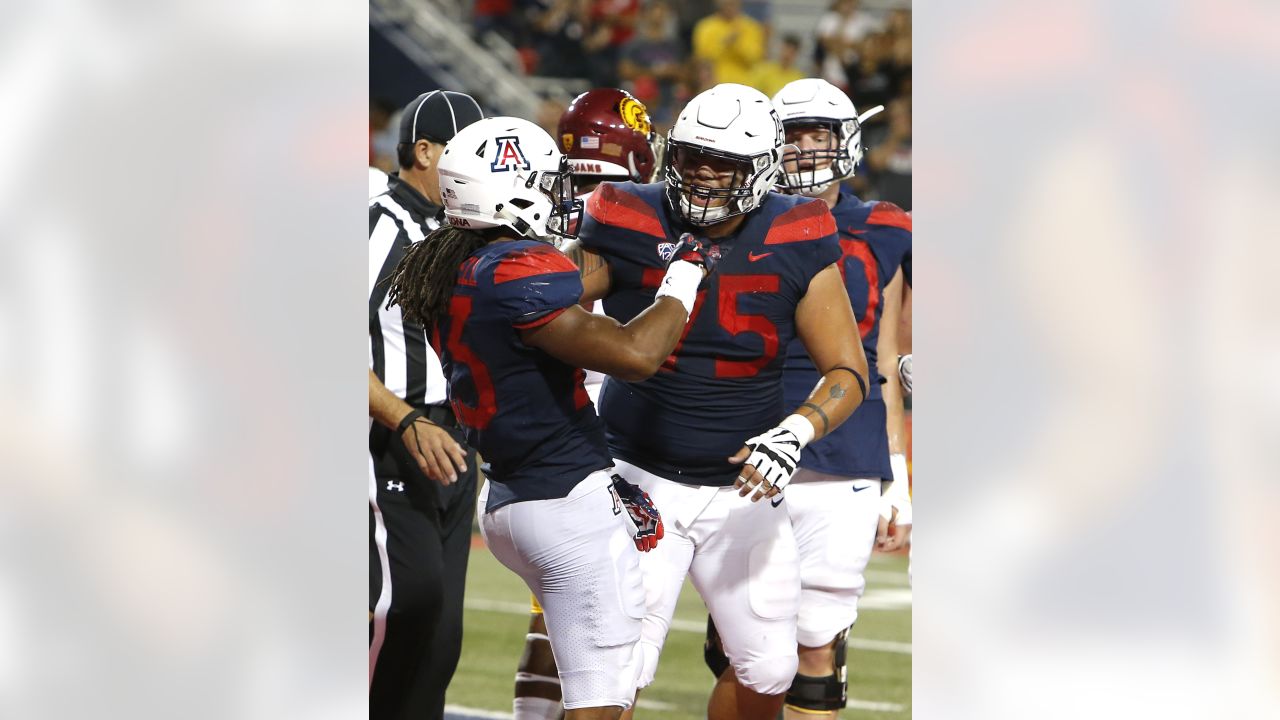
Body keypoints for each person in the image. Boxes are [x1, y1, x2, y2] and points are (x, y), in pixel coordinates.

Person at [386, 115, 719, 720]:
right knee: (601, 702)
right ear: (510, 189)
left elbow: (573, 281)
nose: (557, 193)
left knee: (582, 682)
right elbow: (636, 355)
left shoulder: (455, 259)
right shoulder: (514, 269)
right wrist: (685, 273)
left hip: (514, 495)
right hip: (563, 501)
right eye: (545, 181)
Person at [565, 83, 869, 720]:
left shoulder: (798, 230)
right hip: (636, 475)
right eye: (693, 156)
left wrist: (796, 431)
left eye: (724, 164)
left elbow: (846, 368)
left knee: (771, 666)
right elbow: (548, 302)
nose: (704, 174)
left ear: (761, 169)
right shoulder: (625, 213)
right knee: (619, 666)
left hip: (742, 489)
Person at [705, 77, 913, 718]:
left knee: (819, 645)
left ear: (844, 139)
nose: (803, 150)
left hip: (846, 448)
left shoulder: (885, 226)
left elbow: (885, 358)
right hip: (746, 442)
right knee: (742, 655)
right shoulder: (737, 219)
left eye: (817, 134)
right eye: (791, 135)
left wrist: (898, 472)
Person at [511, 88, 663, 720]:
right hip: (622, 438)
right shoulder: (641, 220)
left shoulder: (530, 216)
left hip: (544, 436)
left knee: (552, 627)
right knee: (615, 633)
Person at [367, 89, 484, 720]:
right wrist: (404, 418)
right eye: (467, 155)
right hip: (393, 435)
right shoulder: (379, 224)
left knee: (440, 636)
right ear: (425, 151)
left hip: (455, 439)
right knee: (406, 608)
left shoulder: (457, 231)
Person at [692, 0, 766, 86]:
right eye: (726, 4)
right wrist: (724, 44)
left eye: (733, 3)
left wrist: (737, 44)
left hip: (745, 85)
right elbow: (703, 58)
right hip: (715, 84)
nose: (730, 7)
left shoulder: (751, 27)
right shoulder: (705, 27)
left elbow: (755, 57)